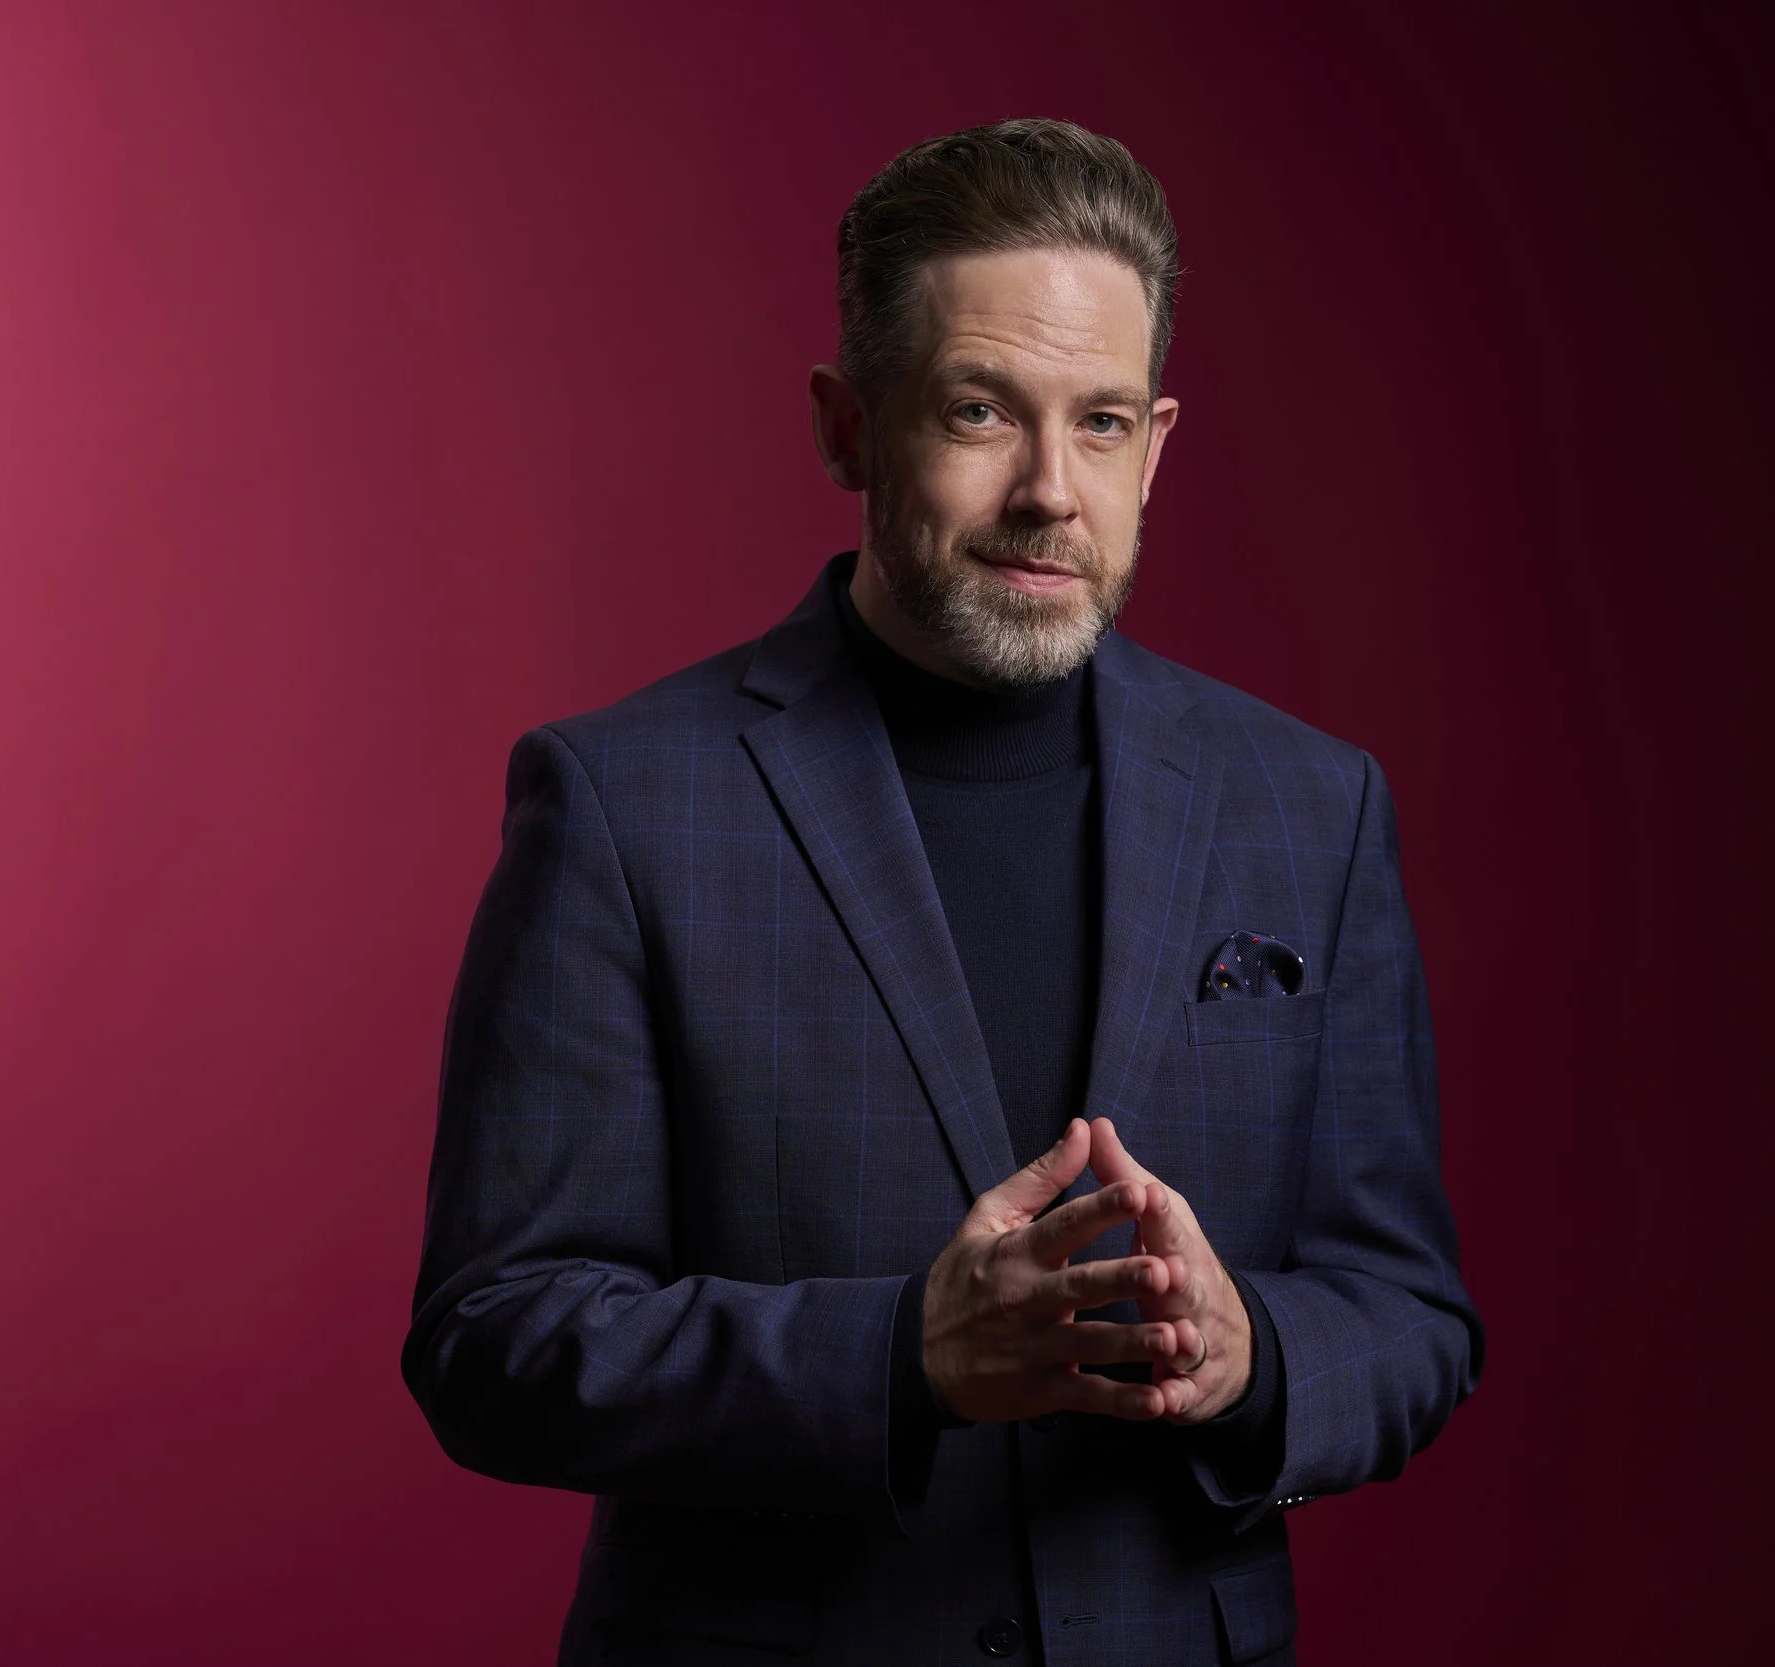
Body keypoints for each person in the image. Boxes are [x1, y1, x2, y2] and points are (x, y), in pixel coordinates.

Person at [402, 119, 1481, 1667]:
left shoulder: (1311, 806)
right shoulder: (623, 800)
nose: (1051, 489)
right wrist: (902, 1355)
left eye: (1102, 423)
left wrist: (1256, 1360)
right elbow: (491, 1338)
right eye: (982, 409)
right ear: (850, 428)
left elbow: (1414, 1312)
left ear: (1158, 442)